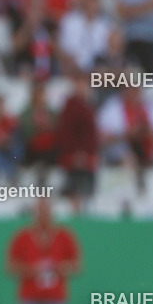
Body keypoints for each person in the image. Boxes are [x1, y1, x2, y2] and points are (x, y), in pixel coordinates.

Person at [56, 75, 98, 212]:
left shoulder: (88, 106)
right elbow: (68, 133)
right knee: (76, 184)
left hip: (87, 154)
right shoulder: (71, 107)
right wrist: (76, 152)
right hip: (74, 155)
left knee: (87, 187)